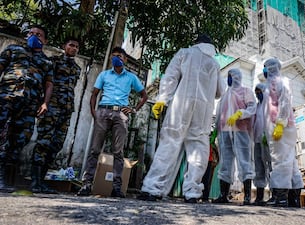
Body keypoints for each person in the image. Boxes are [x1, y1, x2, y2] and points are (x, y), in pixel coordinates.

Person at [137, 34, 225, 203]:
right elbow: (220, 92)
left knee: (170, 143)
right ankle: (192, 192)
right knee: (198, 148)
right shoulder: (214, 64)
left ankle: (152, 189)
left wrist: (162, 99)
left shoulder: (185, 53)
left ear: (196, 43)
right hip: (203, 110)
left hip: (181, 104)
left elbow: (170, 77)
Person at [77, 46, 148, 198]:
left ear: (125, 59)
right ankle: (87, 184)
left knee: (118, 152)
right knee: (95, 149)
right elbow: (94, 94)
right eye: (114, 56)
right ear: (110, 58)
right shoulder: (104, 75)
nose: (117, 58)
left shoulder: (131, 77)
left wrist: (134, 109)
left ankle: (116, 188)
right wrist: (94, 112)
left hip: (121, 114)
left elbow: (144, 95)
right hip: (103, 111)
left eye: (120, 56)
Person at [0, 25, 53, 192]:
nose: (34, 36)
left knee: (20, 139)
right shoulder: (13, 50)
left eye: (39, 35)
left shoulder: (46, 61)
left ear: (45, 40)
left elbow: (49, 84)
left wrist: (45, 103)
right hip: (6, 97)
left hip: (30, 105)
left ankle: (6, 179)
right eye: (31, 33)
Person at [30, 37, 81, 194]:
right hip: (52, 107)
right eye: (71, 45)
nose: (73, 48)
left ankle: (42, 182)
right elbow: (46, 83)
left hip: (66, 109)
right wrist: (43, 103)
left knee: (56, 145)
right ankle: (35, 182)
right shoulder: (53, 62)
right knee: (43, 142)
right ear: (63, 46)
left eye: (76, 47)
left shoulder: (77, 68)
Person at [262, 57, 303, 207]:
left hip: (280, 126)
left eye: (265, 67)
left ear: (270, 68)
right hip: (283, 126)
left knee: (280, 161)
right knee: (290, 162)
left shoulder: (279, 82)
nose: (264, 70)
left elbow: (285, 102)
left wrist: (279, 124)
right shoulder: (273, 84)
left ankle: (281, 197)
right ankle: (294, 199)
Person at [212, 68, 256, 206]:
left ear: (237, 77)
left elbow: (252, 107)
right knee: (225, 162)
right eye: (228, 76)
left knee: (244, 161)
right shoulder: (225, 95)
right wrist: (215, 131)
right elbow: (219, 114)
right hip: (224, 132)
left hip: (240, 130)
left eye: (231, 76)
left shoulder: (246, 91)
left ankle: (247, 195)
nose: (229, 78)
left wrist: (239, 114)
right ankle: (223, 195)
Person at [252, 82, 272, 206]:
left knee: (270, 167)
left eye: (260, 92)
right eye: (256, 93)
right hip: (257, 141)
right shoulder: (257, 106)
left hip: (268, 141)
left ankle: (274, 194)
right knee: (258, 168)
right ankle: (259, 197)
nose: (258, 94)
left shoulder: (269, 106)